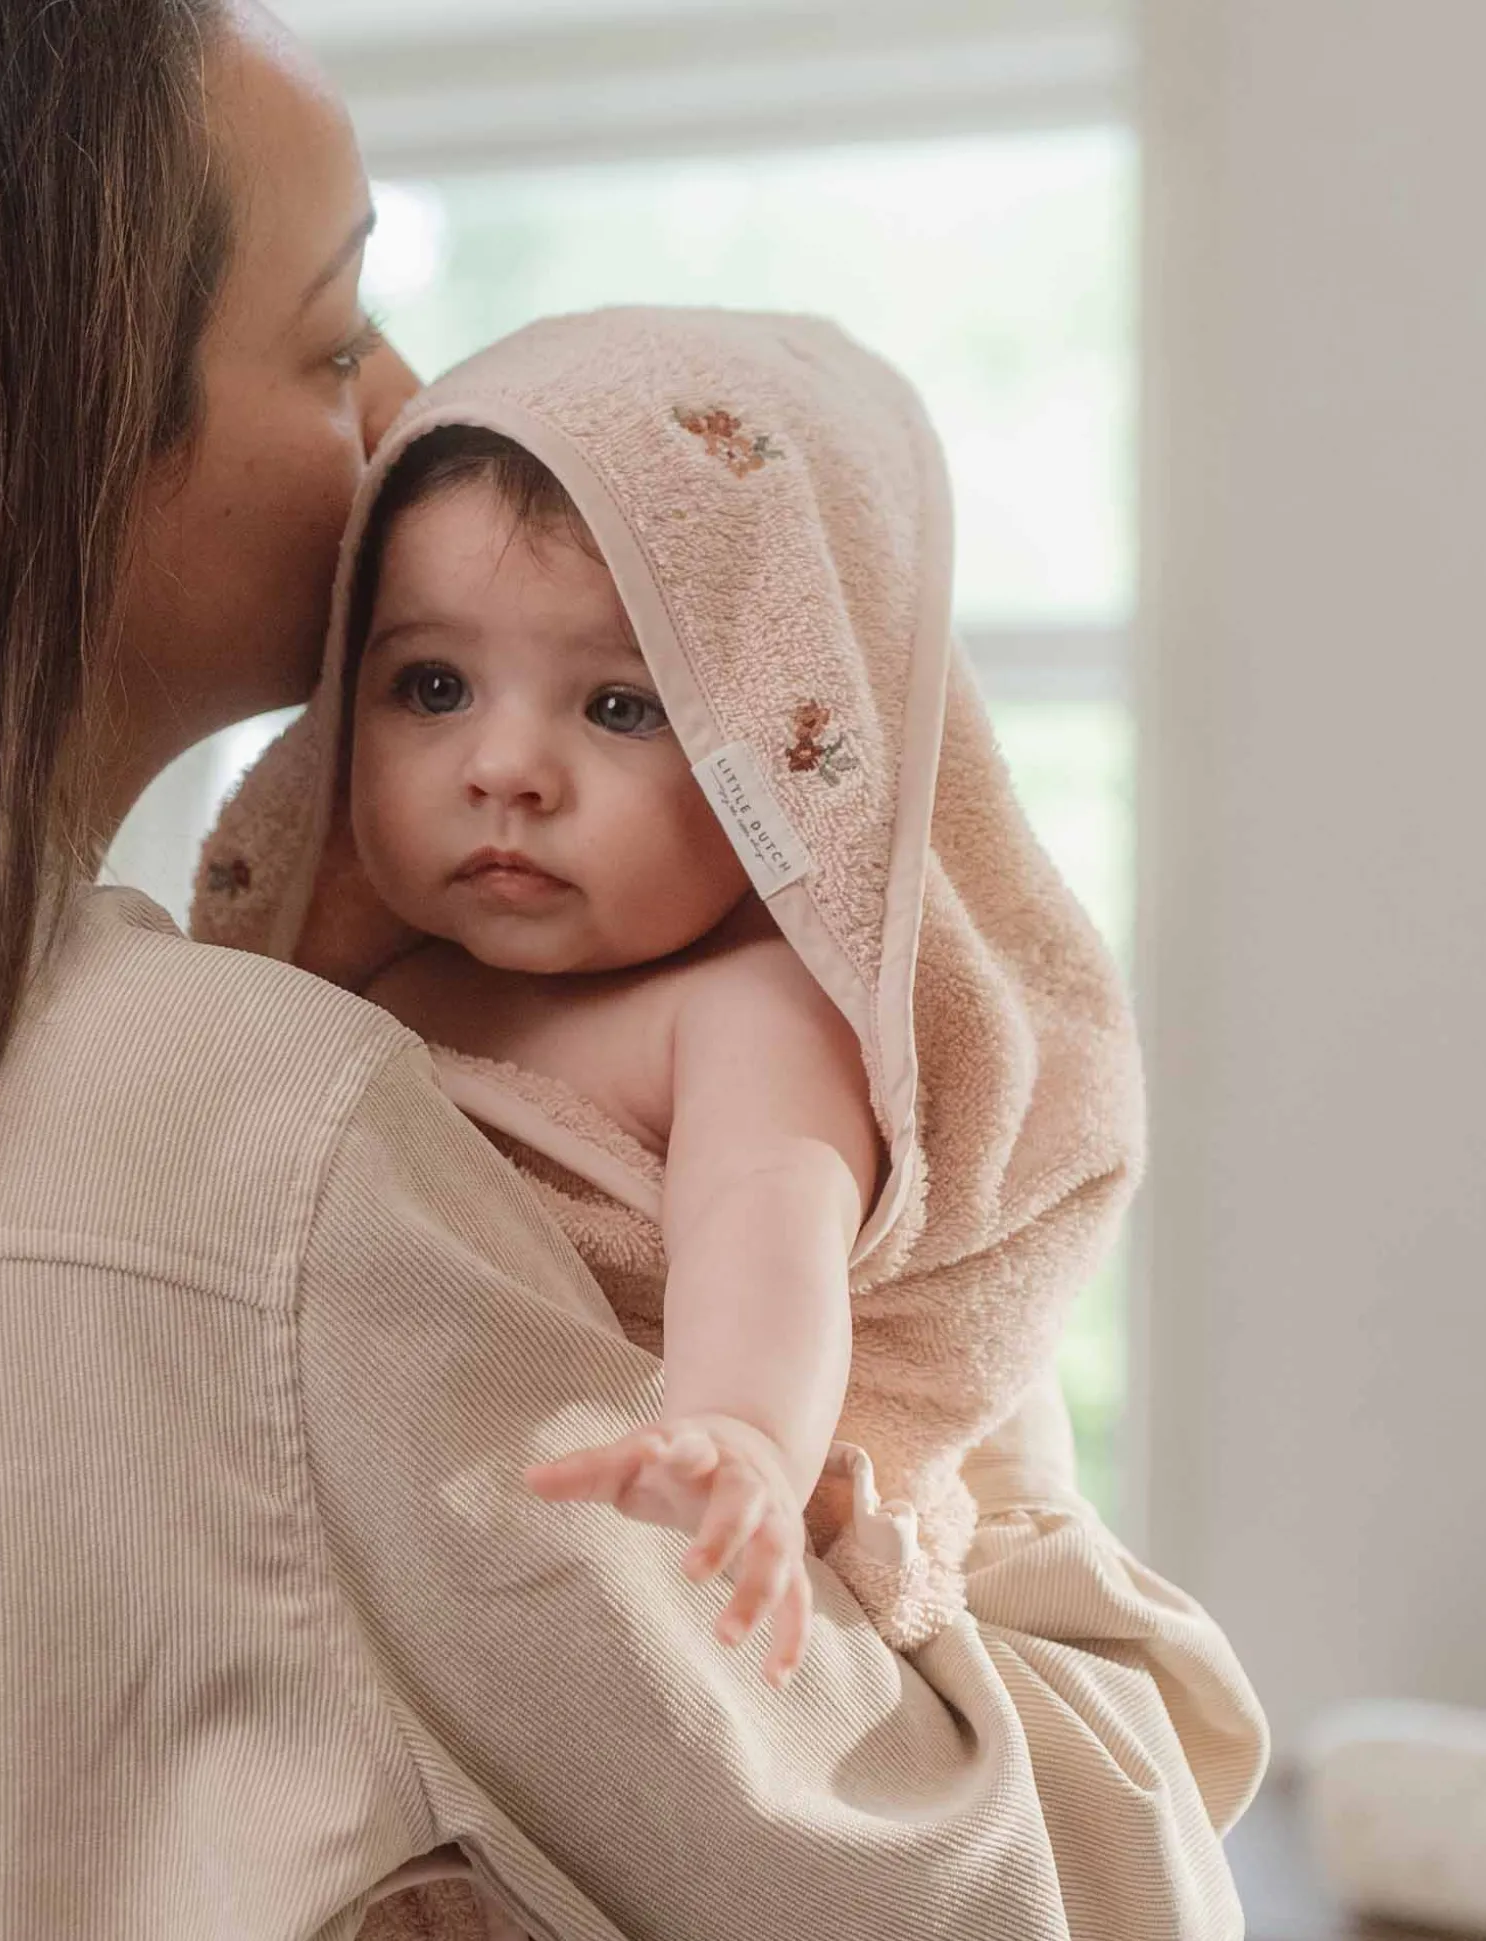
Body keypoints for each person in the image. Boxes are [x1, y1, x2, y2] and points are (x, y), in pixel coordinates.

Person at [0, 6, 1267, 1941]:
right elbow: (1017, 1899)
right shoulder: (275, 1149)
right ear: (55, 428)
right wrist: (972, 1432)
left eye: (625, 699)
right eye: (331, 336)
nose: (408, 408)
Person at [196, 313, 1153, 1722]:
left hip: (660, 1578)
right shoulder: (351, 988)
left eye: (622, 706)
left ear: (780, 750)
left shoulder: (756, 1015)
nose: (508, 767)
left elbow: (764, 1230)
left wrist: (736, 1439)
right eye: (435, 687)